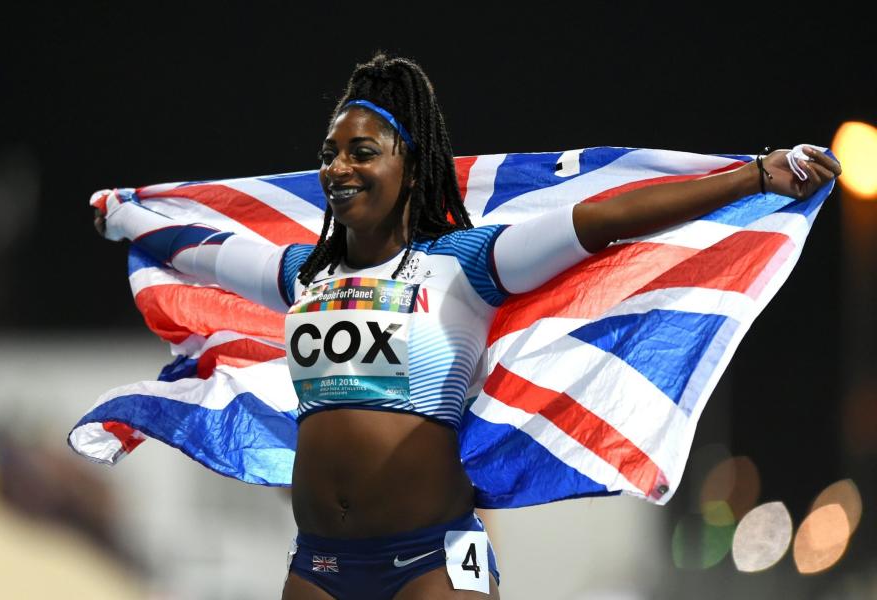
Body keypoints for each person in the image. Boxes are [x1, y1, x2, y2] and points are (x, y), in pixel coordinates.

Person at [91, 53, 840, 599]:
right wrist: (126, 216)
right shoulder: (302, 275)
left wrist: (755, 175)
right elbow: (205, 254)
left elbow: (600, 221)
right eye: (329, 154)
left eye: (362, 152)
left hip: (432, 561)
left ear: (411, 168)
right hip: (317, 564)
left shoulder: (468, 264)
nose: (337, 168)